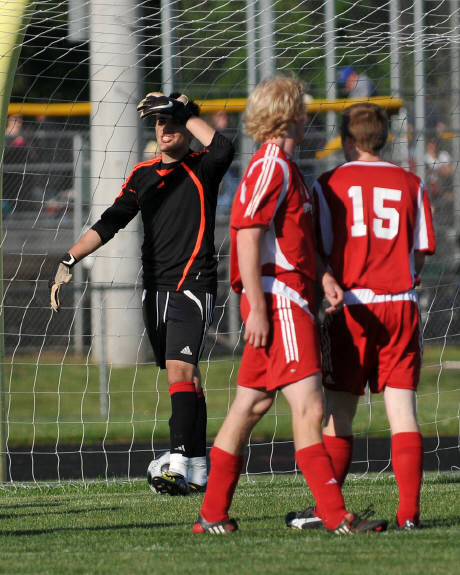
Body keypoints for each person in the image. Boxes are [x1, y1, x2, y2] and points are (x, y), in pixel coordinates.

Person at [192, 77, 388, 535]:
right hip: (279, 302)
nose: (307, 115)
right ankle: (335, 516)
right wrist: (259, 308)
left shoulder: (286, 167)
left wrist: (323, 276)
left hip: (286, 297)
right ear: (288, 115)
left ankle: (212, 514)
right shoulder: (271, 166)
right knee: (310, 407)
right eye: (301, 107)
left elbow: (291, 240)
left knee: (250, 405)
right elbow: (246, 235)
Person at [48, 91, 234, 495]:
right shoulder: (143, 175)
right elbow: (110, 221)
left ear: (187, 128)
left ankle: (177, 462)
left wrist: (183, 110)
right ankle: (198, 468)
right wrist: (69, 259)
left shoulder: (203, 167)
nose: (166, 128)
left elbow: (224, 146)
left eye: (173, 122)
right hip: (154, 290)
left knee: (181, 370)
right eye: (160, 121)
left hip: (193, 284)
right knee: (187, 377)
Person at [289, 103, 435, 531]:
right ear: (384, 138)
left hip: (350, 306)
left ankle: (328, 507)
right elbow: (421, 252)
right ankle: (409, 513)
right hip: (401, 303)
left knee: (339, 412)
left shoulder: (329, 184)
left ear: (348, 141)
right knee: (403, 411)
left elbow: (318, 249)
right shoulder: (411, 183)